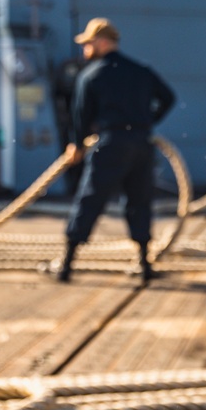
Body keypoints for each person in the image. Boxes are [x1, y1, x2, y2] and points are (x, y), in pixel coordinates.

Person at [57, 17, 176, 283]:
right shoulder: (141, 71)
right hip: (141, 145)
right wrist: (146, 123)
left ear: (101, 42)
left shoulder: (91, 74)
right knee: (140, 202)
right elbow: (168, 98)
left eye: (87, 44)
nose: (85, 49)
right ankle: (145, 266)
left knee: (90, 200)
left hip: (110, 144)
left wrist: (76, 144)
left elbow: (79, 115)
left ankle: (66, 265)